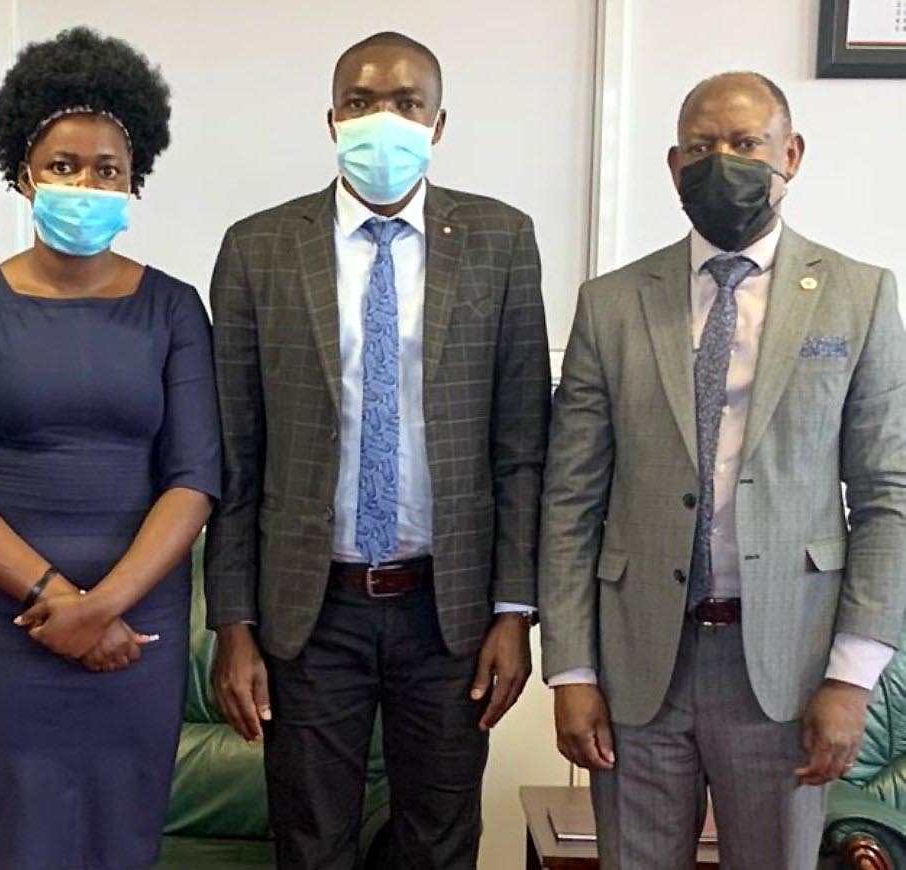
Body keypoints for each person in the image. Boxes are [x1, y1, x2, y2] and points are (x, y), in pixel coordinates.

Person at [540, 71, 906, 870]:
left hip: (788, 672)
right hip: (638, 665)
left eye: (745, 145)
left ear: (791, 154)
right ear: (674, 167)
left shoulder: (859, 296)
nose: (723, 162)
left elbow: (888, 498)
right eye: (702, 148)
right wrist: (569, 668)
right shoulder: (611, 303)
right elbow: (570, 498)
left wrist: (851, 680)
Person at [206, 31, 551, 869]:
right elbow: (234, 457)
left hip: (451, 611)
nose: (382, 121)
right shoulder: (258, 248)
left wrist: (515, 613)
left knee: (438, 842)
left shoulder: (501, 240)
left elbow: (521, 446)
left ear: (439, 123)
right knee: (310, 841)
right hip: (309, 608)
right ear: (331, 117)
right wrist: (232, 625)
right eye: (361, 103)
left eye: (406, 104)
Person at [0, 27, 220, 870]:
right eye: (63, 165)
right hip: (0, 626)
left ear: (134, 181)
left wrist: (103, 607)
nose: (86, 183)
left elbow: (194, 481)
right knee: (9, 841)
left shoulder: (175, 309)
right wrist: (60, 601)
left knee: (120, 839)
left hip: (136, 629)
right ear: (22, 174)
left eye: (108, 169)